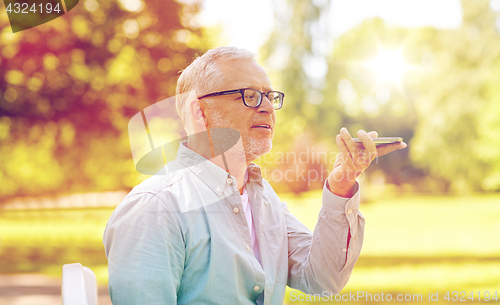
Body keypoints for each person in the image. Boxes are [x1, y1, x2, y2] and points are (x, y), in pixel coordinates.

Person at [103, 46, 407, 304]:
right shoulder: (155, 207)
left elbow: (321, 279)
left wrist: (342, 184)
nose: (267, 108)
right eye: (249, 95)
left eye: (269, 96)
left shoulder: (263, 198)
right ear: (199, 111)